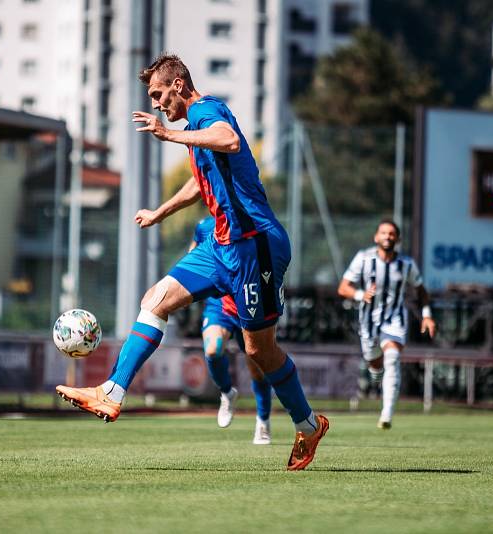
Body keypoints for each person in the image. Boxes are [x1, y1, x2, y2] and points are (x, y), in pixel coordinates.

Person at [57, 54, 328, 471]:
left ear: (179, 85)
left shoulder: (206, 111)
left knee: (259, 349)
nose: (157, 103)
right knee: (155, 299)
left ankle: (308, 424)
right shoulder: (194, 128)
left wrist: (167, 135)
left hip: (255, 244)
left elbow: (229, 139)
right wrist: (161, 212)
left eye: (158, 94)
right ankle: (112, 392)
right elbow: (199, 181)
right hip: (221, 246)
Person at [337, 219, 437, 429]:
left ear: (398, 239)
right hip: (368, 322)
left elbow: (421, 291)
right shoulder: (363, 259)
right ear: (376, 237)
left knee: (392, 357)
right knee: (375, 363)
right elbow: (343, 287)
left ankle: (387, 414)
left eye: (392, 234)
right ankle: (375, 376)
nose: (387, 237)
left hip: (395, 319)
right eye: (383, 233)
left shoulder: (407, 264)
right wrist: (360, 294)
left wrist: (427, 315)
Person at [190, 216, 274, 444]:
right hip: (219, 305)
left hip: (249, 303)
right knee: (212, 350)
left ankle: (263, 422)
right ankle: (227, 392)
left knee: (257, 368)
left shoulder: (254, 222)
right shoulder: (204, 226)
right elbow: (193, 258)